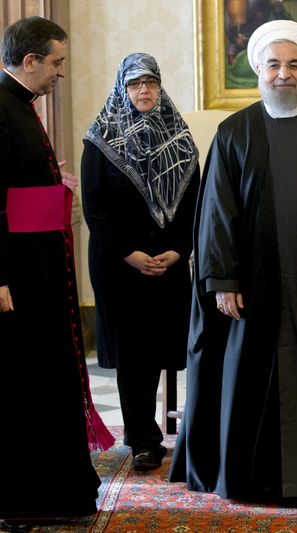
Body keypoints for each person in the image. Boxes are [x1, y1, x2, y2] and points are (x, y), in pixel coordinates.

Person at [169, 20, 297, 514]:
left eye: (294, 65)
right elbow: (217, 213)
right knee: (247, 379)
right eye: (275, 65)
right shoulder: (234, 131)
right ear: (258, 70)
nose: (284, 75)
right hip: (252, 287)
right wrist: (223, 279)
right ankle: (247, 479)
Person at [0, 16, 113, 533]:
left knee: (48, 379)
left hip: (39, 271)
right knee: (27, 387)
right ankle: (26, 498)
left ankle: (57, 493)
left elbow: (20, 192)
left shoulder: (19, 106)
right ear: (30, 62)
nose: (60, 73)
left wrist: (54, 186)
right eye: (56, 63)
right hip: (17, 279)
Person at [81, 53, 200, 473]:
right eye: (134, 84)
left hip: (168, 262)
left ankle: (171, 433)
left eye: (150, 82)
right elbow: (95, 210)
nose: (143, 90)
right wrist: (129, 253)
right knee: (134, 355)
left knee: (162, 348)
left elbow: (194, 206)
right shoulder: (100, 141)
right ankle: (143, 440)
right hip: (119, 266)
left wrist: (179, 249)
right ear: (122, 89)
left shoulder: (181, 140)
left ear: (160, 85)